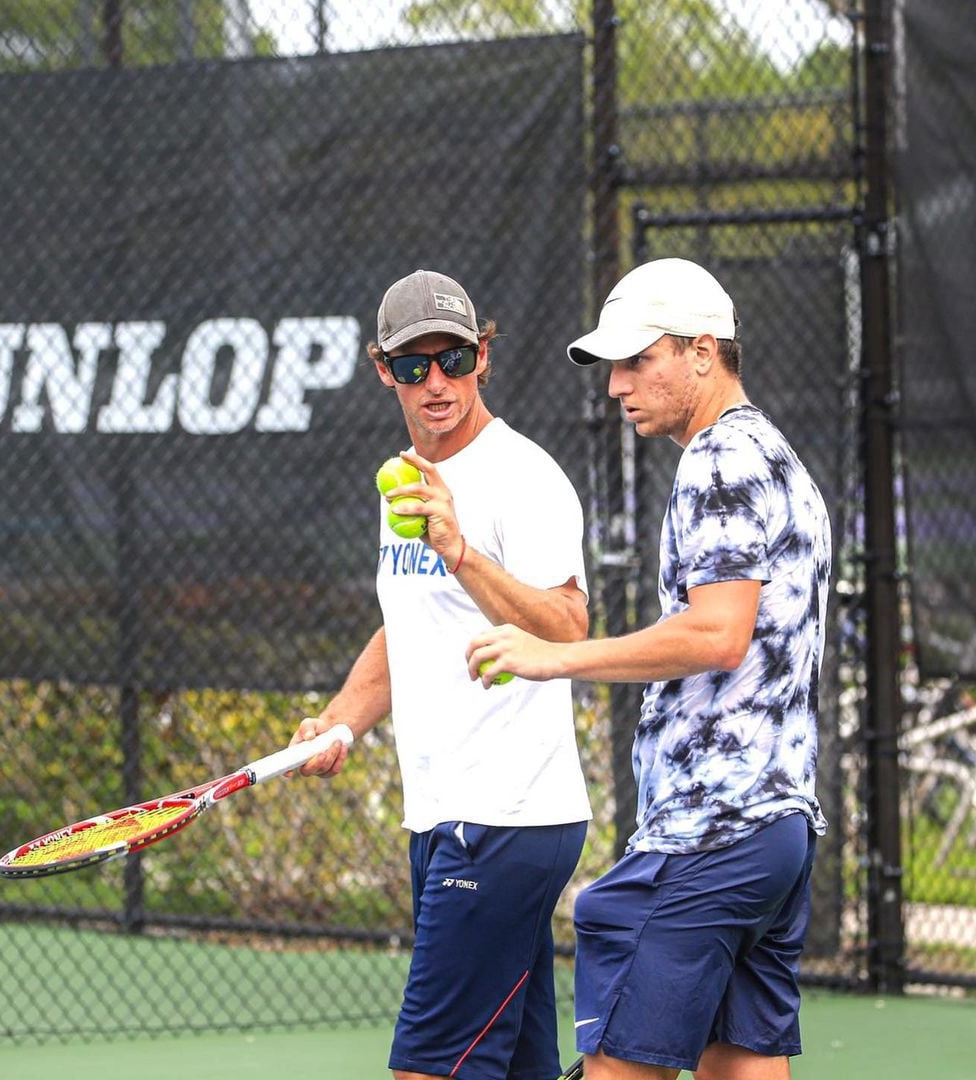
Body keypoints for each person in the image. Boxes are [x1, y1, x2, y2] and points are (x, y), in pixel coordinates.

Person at [466, 258, 832, 1080]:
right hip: (775, 834)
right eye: (613, 366)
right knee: (742, 1062)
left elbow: (716, 634)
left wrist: (555, 656)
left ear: (703, 351)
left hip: (710, 837)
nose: (616, 386)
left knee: (619, 1064)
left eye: (638, 361)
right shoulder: (777, 457)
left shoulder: (719, 462)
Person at [291, 268, 592, 1080]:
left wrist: (462, 554)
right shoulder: (406, 481)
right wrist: (344, 720)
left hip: (504, 820)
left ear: (482, 357)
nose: (437, 383)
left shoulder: (521, 477)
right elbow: (407, 626)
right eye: (414, 364)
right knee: (521, 1065)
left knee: (427, 1069)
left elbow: (568, 625)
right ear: (382, 368)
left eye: (454, 359)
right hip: (444, 818)